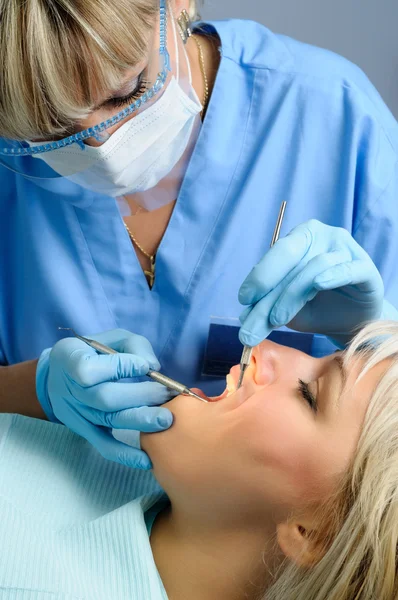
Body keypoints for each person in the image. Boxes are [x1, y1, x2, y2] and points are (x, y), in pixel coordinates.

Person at [0, 0, 397, 469]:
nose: (99, 149)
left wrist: (378, 343)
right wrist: (36, 387)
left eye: (124, 93)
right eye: (51, 132)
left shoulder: (335, 117)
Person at [1, 318, 398, 600]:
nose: (265, 348)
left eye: (309, 393)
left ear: (313, 535)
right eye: (323, 354)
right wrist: (28, 388)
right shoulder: (126, 447)